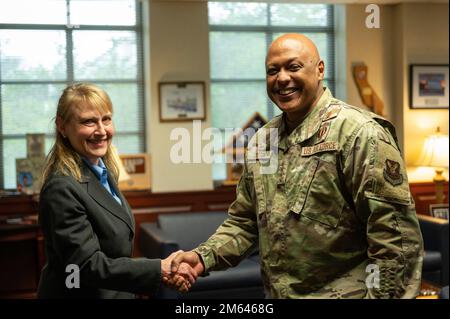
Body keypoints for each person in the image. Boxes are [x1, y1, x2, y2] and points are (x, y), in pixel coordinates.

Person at [169, 34, 424, 298]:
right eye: (272, 71)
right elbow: (246, 223)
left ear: (320, 69)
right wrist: (201, 258)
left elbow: (397, 243)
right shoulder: (262, 142)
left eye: (293, 67)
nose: (281, 78)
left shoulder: (360, 133)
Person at [38, 83, 195, 298]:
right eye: (88, 121)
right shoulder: (62, 187)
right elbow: (84, 266)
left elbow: (113, 251)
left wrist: (161, 271)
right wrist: (159, 269)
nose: (101, 131)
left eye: (107, 119)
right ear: (62, 126)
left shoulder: (102, 170)